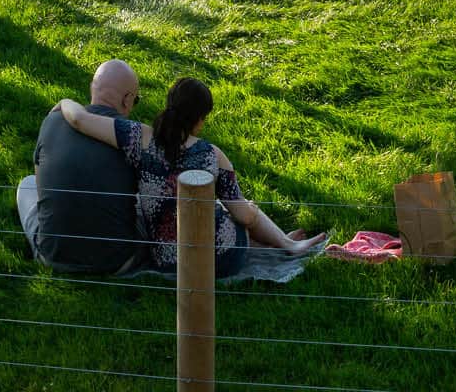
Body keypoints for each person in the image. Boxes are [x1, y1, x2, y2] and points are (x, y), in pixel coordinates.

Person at [58, 77, 327, 277]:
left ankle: (281, 242)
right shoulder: (213, 155)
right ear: (200, 119)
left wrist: (63, 101)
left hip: (168, 260)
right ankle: (287, 244)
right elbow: (243, 217)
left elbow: (80, 119)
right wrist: (252, 214)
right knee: (245, 211)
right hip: (219, 261)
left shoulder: (137, 137)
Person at [17, 60, 145, 274]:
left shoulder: (52, 120)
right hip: (116, 262)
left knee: (27, 184)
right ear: (127, 99)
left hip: (52, 255)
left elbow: (41, 186)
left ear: (92, 88)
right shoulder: (135, 136)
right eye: (136, 100)